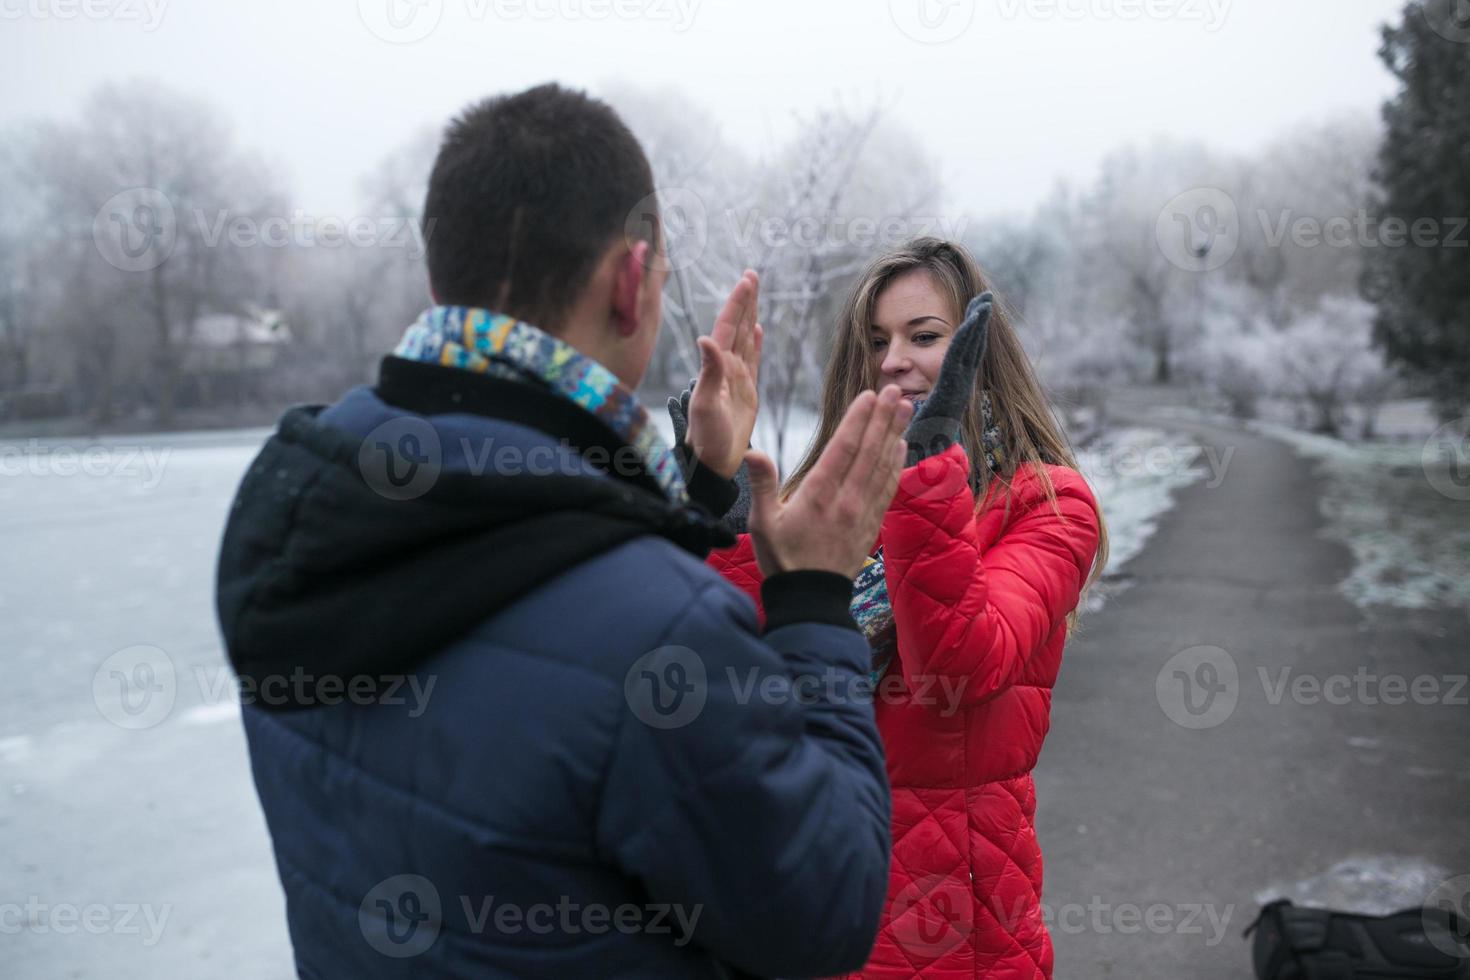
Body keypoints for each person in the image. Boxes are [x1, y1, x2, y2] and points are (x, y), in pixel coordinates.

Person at [215, 83, 917, 978]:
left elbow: (531, 619)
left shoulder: (297, 504)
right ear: (631, 282)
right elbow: (824, 911)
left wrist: (694, 492)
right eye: (659, 278)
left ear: (442, 280)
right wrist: (815, 599)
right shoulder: (662, 637)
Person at [690, 238, 1110, 979]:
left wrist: (925, 473)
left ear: (979, 351)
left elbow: (960, 666)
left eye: (924, 336)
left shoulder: (1048, 503)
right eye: (876, 341)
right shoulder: (834, 494)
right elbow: (751, 662)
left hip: (950, 908)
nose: (893, 359)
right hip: (820, 875)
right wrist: (719, 505)